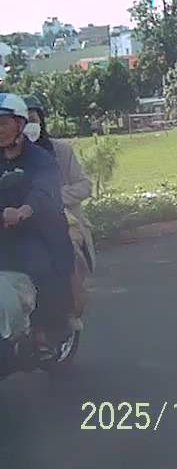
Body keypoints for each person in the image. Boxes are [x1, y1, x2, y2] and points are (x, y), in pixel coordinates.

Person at [0, 94, 75, 352]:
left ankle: (44, 332)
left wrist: (24, 210)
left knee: (39, 266)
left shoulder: (40, 158)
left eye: (3, 123)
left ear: (20, 124)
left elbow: (43, 192)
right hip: (3, 231)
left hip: (36, 231)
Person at [24, 96, 96, 273]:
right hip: (24, 229)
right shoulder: (7, 159)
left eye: (32, 120)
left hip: (66, 224)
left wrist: (52, 197)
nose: (28, 126)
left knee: (71, 260)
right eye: (23, 122)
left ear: (41, 120)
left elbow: (84, 186)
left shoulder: (61, 151)